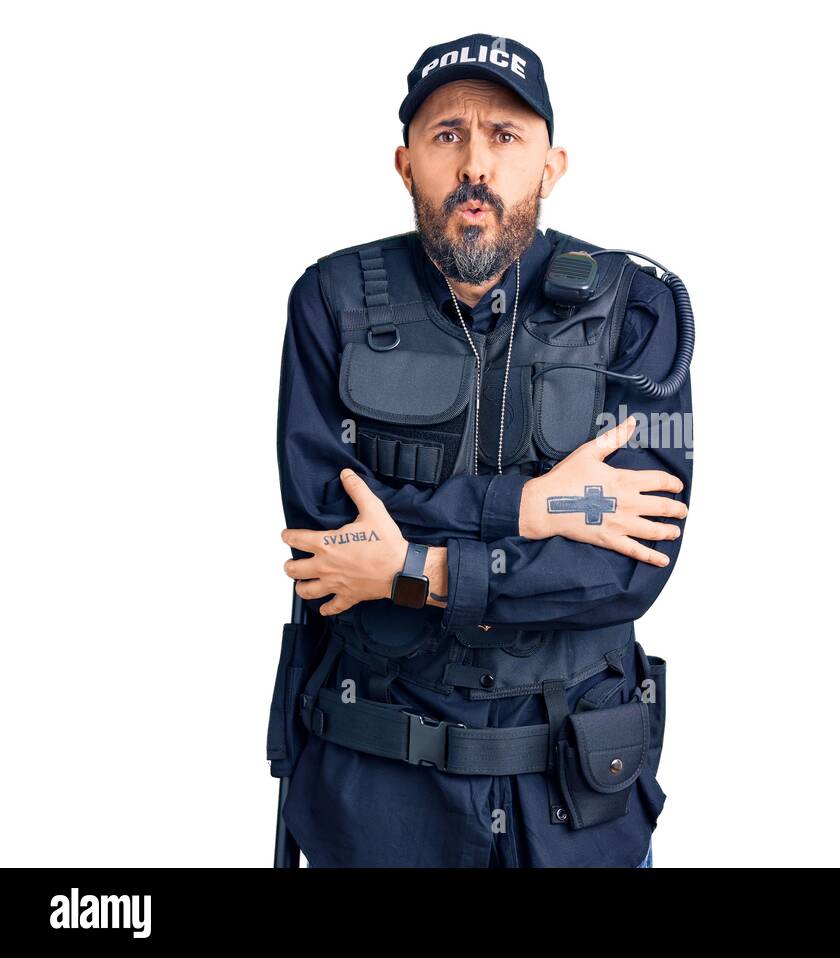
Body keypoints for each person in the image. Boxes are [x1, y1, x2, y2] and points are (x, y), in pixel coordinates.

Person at [268, 33, 691, 868]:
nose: (476, 165)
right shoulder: (329, 302)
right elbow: (324, 532)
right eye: (447, 135)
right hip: (377, 805)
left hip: (574, 810)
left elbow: (631, 565)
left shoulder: (639, 314)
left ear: (551, 163)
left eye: (505, 136)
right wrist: (533, 508)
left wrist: (418, 569)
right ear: (406, 163)